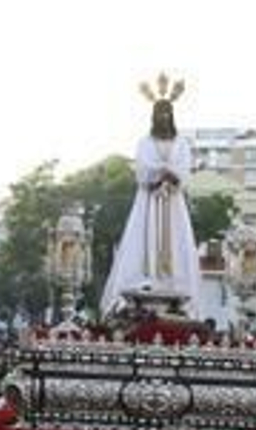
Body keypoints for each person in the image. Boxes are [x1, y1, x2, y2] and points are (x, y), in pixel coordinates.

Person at [100, 80, 201, 314]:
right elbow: (142, 168)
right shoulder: (145, 142)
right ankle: (142, 284)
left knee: (177, 243)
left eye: (168, 112)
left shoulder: (181, 143)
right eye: (160, 112)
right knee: (143, 241)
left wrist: (172, 174)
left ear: (172, 115)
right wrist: (160, 172)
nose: (164, 116)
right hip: (149, 200)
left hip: (173, 202)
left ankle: (175, 289)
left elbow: (184, 168)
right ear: (154, 116)